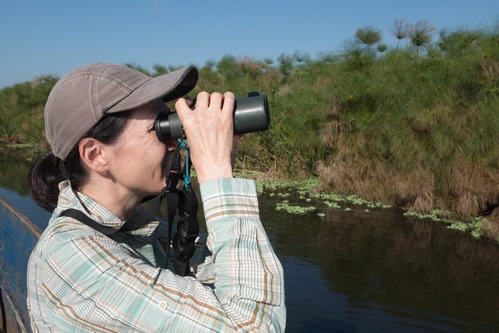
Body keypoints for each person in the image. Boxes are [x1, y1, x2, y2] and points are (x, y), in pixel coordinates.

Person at [27, 62, 286, 332]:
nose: (174, 142)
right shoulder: (73, 258)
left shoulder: (132, 232)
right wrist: (217, 174)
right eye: (160, 128)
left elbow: (250, 276)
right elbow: (254, 326)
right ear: (96, 155)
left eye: (170, 121)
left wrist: (220, 148)